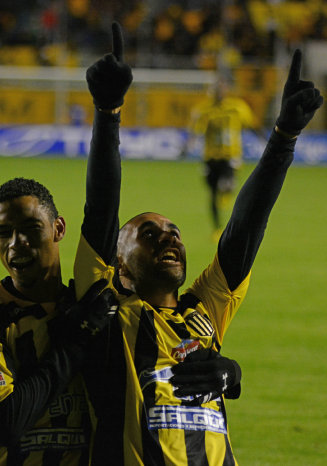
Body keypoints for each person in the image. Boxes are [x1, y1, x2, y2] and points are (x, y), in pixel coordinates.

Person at [74, 23, 323, 466]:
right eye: (147, 234)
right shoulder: (109, 311)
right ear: (120, 267)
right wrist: (107, 112)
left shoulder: (204, 314)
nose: (168, 236)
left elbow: (246, 229)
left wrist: (283, 138)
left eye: (173, 231)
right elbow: (100, 211)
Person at [0, 177, 118, 465]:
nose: (17, 244)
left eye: (30, 229)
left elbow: (102, 210)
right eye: (4, 233)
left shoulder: (87, 308)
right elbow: (5, 423)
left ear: (58, 229)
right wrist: (77, 340)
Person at [181, 77, 259, 240]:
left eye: (222, 89)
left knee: (227, 183)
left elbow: (251, 125)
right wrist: (187, 147)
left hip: (230, 155)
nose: (219, 93)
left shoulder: (237, 107)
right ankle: (217, 229)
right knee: (212, 194)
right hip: (210, 157)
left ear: (226, 91)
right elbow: (196, 131)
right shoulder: (204, 110)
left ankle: (228, 191)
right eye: (216, 90)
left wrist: (267, 139)